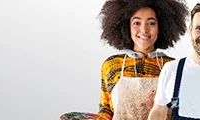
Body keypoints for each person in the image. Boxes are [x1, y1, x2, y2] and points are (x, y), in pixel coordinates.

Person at [60, 0, 188, 119]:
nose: (144, 30)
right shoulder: (112, 65)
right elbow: (106, 110)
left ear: (160, 28)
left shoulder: (172, 67)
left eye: (151, 23)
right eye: (136, 23)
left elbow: (179, 111)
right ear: (127, 27)